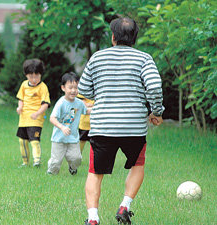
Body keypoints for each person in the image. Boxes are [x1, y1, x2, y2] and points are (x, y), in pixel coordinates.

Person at [78, 17, 164, 225]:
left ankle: (92, 218)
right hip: (133, 127)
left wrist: (102, 93)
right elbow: (153, 87)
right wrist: (156, 111)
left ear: (113, 36)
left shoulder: (97, 58)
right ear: (135, 37)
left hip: (102, 126)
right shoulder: (144, 58)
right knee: (138, 164)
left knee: (95, 172)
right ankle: (125, 205)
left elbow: (83, 89)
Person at [47, 72, 91, 175]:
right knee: (56, 161)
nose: (73, 91)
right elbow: (52, 118)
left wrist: (98, 108)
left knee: (76, 158)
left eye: (76, 88)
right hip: (59, 138)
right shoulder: (61, 103)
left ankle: (72, 167)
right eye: (70, 88)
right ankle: (51, 174)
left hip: (73, 138)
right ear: (63, 88)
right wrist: (62, 127)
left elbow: (87, 111)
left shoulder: (79, 103)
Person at [16, 58, 50, 167]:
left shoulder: (43, 87)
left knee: (34, 141)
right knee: (22, 141)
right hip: (23, 119)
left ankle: (37, 161)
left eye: (36, 76)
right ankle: (25, 162)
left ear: (40, 74)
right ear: (26, 75)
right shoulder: (24, 85)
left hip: (36, 120)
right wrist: (19, 107)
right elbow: (20, 98)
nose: (34, 79)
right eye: (31, 76)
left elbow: (45, 104)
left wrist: (37, 113)